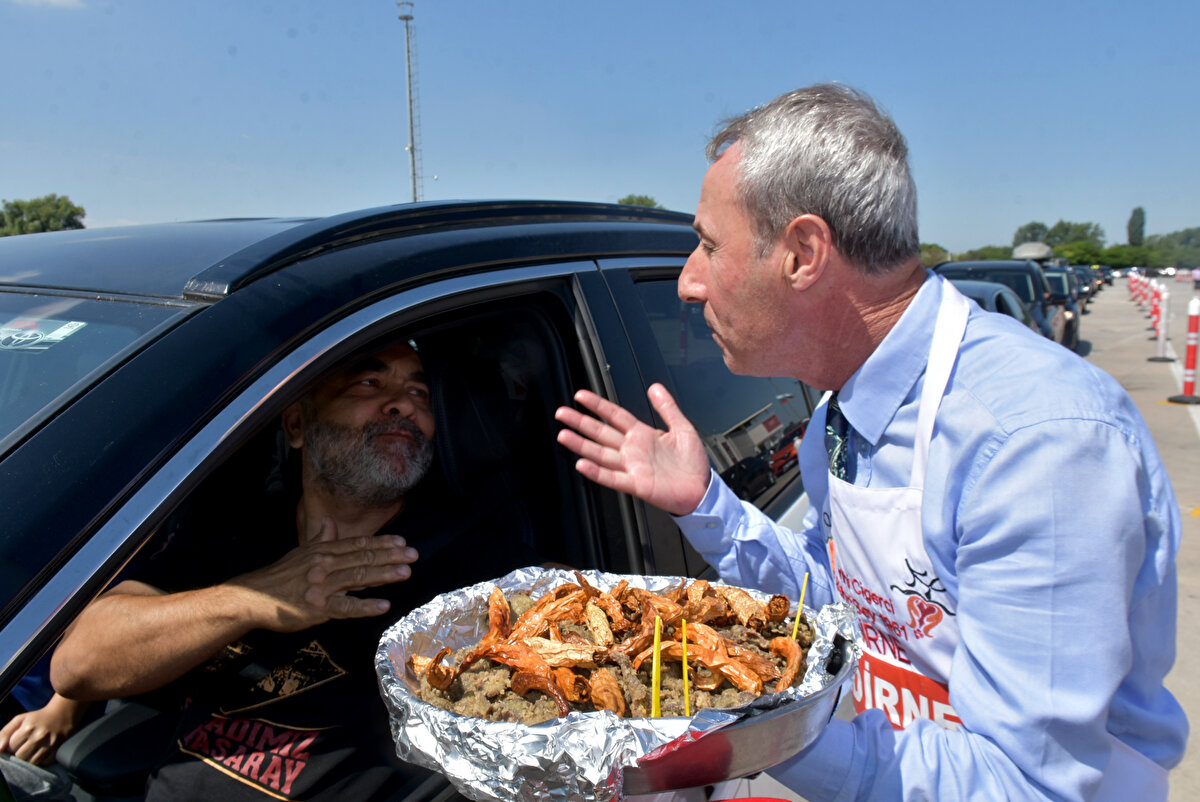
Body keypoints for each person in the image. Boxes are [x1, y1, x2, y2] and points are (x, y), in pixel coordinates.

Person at [556, 84, 1187, 800]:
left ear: (802, 252)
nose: (688, 283)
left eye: (707, 244)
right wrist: (707, 504)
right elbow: (847, 608)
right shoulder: (840, 413)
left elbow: (1022, 785)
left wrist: (730, 728)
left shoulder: (1035, 443)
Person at [49, 341, 522, 801]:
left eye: (420, 394)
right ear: (297, 424)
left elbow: (568, 620)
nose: (402, 404)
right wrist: (252, 598)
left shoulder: (473, 564)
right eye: (368, 382)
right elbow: (76, 666)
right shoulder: (231, 533)